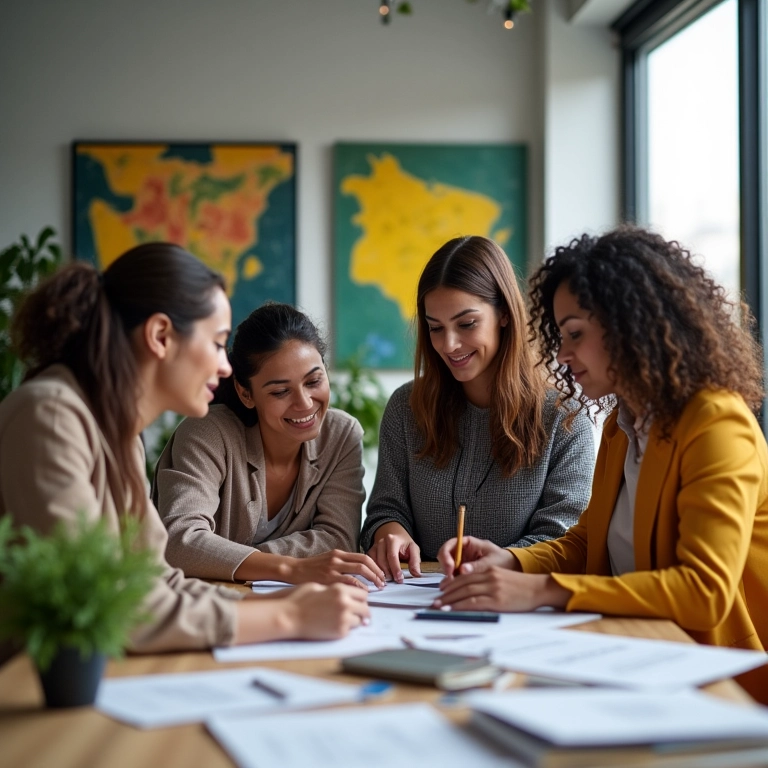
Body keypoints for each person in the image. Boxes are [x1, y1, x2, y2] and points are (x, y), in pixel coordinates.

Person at [435, 227, 768, 702]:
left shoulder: (716, 423)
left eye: (575, 334)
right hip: (639, 653)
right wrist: (509, 560)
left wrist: (542, 592)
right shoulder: (621, 423)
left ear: (633, 327)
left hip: (722, 676)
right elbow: (589, 542)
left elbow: (704, 592)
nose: (563, 355)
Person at [0, 243, 369, 654]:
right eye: (216, 343)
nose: (226, 367)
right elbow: (99, 604)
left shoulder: (116, 430)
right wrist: (289, 616)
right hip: (25, 685)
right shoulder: (52, 415)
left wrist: (273, 600)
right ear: (160, 336)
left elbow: (156, 579)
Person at [360, 235, 595, 582]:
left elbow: (565, 539)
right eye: (435, 328)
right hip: (414, 603)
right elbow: (385, 509)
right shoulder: (406, 407)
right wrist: (388, 532)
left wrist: (501, 562)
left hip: (518, 604)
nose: (449, 345)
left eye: (466, 324)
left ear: (503, 313)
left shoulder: (565, 417)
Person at [153, 303, 385, 588]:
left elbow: (338, 540)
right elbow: (180, 540)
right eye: (280, 391)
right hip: (204, 606)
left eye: (314, 380)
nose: (304, 403)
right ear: (245, 393)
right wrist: (289, 568)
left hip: (289, 603)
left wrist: (225, 558)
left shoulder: (341, 435)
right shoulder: (207, 433)